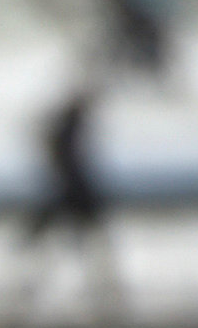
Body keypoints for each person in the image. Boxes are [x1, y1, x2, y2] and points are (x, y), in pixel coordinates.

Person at [12, 81, 120, 316]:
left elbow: (52, 151)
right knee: (82, 246)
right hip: (73, 193)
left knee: (57, 246)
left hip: (66, 192)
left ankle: (28, 290)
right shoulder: (69, 131)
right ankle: (102, 291)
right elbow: (68, 162)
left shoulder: (62, 132)